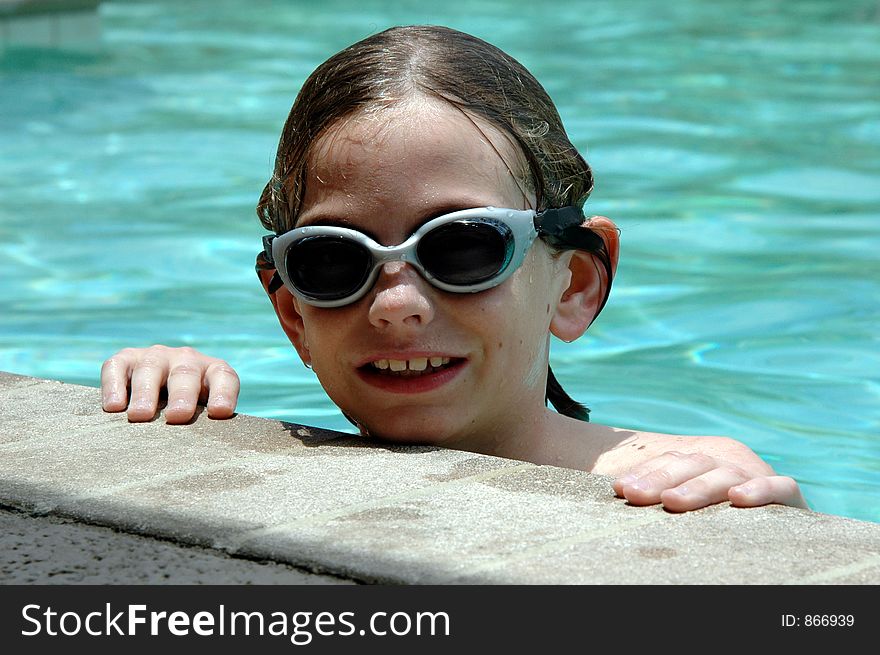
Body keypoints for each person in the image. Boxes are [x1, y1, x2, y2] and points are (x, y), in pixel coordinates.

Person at [100, 25, 807, 513]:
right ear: (293, 315)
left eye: (463, 246)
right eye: (331, 260)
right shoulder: (228, 432)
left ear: (575, 283)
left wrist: (778, 520)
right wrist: (163, 386)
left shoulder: (685, 476)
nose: (395, 304)